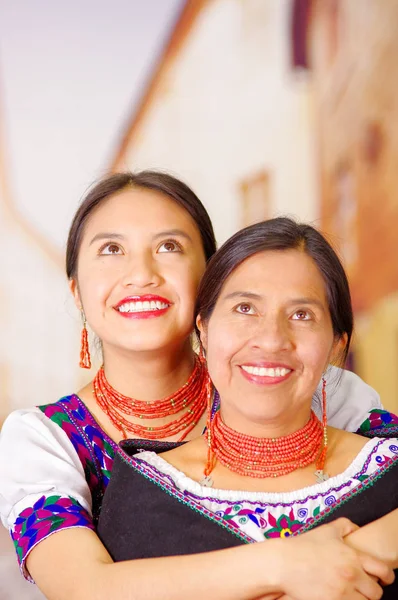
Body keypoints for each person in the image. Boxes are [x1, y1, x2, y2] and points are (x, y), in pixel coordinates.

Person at [0, 173, 395, 600]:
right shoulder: (44, 440)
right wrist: (289, 563)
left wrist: (358, 553)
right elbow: (84, 588)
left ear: (210, 278)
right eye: (111, 249)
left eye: (169, 247)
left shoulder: (287, 378)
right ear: (76, 290)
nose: (142, 275)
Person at [97, 217, 398, 598]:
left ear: (336, 345)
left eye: (302, 315)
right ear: (203, 328)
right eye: (244, 308)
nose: (271, 340)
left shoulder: (388, 474)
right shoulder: (144, 492)